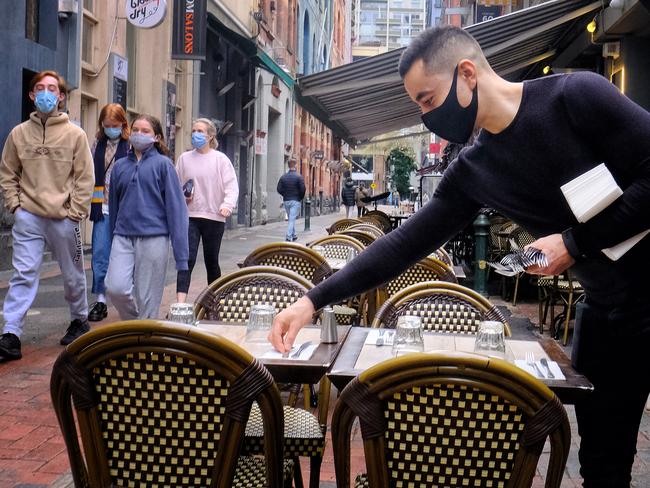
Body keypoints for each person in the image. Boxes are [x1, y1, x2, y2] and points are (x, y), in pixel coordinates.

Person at [270, 25, 650, 487]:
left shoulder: (575, 96)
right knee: (602, 467)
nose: (426, 115)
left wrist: (572, 243)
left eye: (428, 100)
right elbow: (402, 245)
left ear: (467, 74)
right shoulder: (474, 168)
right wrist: (313, 300)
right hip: (607, 312)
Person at [0, 70, 94, 360]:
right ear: (31, 95)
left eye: (52, 88)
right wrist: (15, 205)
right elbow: (8, 172)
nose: (45, 93)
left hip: (64, 218)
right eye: (39, 88)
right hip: (28, 216)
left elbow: (85, 178)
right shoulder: (19, 133)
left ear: (61, 96)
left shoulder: (75, 134)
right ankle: (11, 333)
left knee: (72, 273)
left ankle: (79, 318)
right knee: (23, 273)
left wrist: (74, 212)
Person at [105, 114, 188, 320]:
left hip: (154, 237)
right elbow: (114, 206)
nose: (139, 135)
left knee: (147, 298)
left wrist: (182, 257)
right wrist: (111, 238)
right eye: (135, 130)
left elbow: (176, 210)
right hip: (122, 236)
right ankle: (135, 324)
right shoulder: (119, 166)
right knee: (115, 288)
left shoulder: (164, 165)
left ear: (157, 137)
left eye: (145, 131)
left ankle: (144, 342)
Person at [175, 118, 238, 303]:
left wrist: (227, 205)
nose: (196, 134)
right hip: (190, 216)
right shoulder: (184, 159)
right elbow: (175, 185)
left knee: (211, 261)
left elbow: (231, 186)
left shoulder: (220, 160)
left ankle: (215, 300)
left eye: (200, 131)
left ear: (211, 136)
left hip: (214, 217)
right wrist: (181, 196)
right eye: (194, 130)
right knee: (187, 259)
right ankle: (180, 305)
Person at [87, 103, 130, 322]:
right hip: (101, 207)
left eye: (114, 125)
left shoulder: (131, 145)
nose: (110, 129)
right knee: (101, 253)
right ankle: (101, 299)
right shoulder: (97, 144)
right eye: (107, 125)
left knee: (124, 254)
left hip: (125, 209)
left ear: (123, 123)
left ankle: (128, 296)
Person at [277, 157, 305, 242]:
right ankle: (289, 237)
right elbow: (303, 189)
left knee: (290, 218)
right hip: (295, 200)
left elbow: (279, 189)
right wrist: (300, 197)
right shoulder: (299, 177)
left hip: (286, 200)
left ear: (288, 165)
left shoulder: (283, 177)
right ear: (295, 165)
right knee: (291, 219)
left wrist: (284, 194)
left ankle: (294, 234)